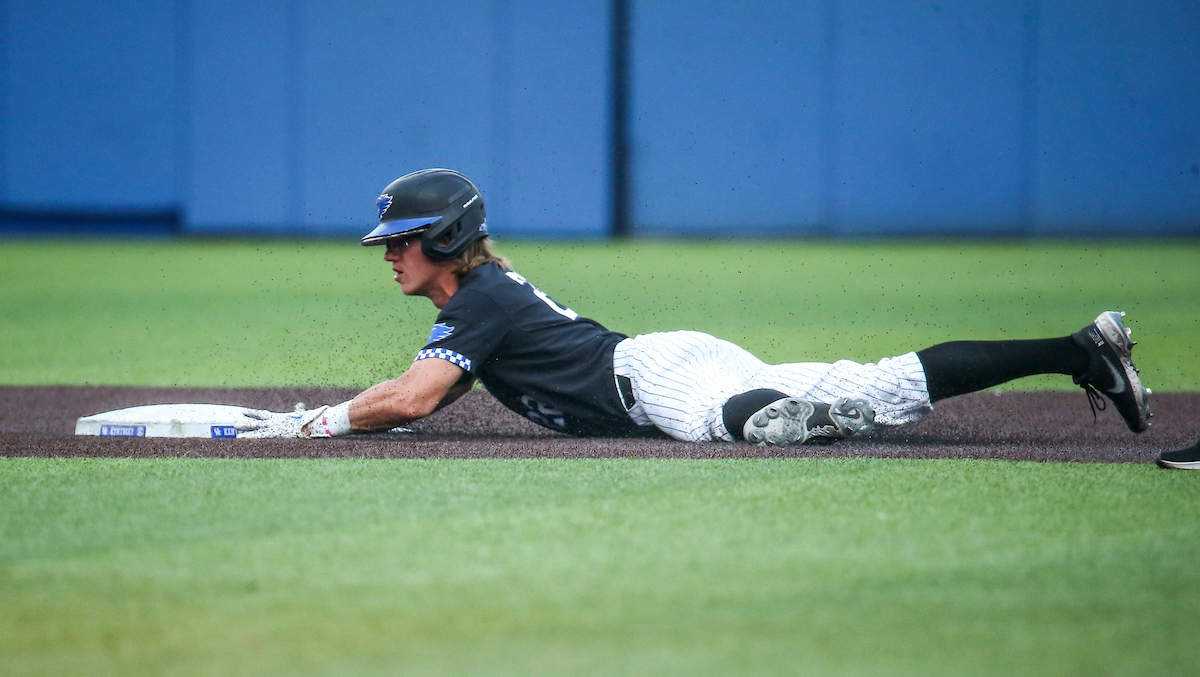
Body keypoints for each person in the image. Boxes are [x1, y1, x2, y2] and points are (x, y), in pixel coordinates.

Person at [237, 168, 1152, 446]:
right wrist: (366, 414)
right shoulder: (484, 296)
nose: (388, 256)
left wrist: (311, 423)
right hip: (664, 355)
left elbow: (413, 397)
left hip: (652, 377)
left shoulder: (478, 298)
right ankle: (1082, 349)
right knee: (892, 380)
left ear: (444, 241)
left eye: (399, 240)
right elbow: (419, 396)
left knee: (728, 423)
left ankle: (809, 420)